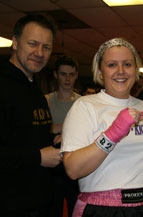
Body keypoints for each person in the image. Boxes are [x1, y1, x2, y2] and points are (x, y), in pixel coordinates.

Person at [60, 38, 143, 217]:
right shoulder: (85, 106)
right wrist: (113, 133)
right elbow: (73, 169)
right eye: (112, 64)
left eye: (127, 64)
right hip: (100, 208)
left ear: (136, 71)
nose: (121, 71)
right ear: (100, 72)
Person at [0, 13, 61, 217]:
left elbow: (27, 136)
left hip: (39, 202)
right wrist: (38, 157)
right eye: (33, 44)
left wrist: (55, 140)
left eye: (46, 47)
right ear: (15, 43)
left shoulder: (34, 88)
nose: (39, 52)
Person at [45, 55, 81, 217]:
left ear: (76, 75)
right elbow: (41, 130)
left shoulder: (83, 103)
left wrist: (60, 130)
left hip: (76, 165)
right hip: (52, 167)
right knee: (53, 210)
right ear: (55, 75)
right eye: (63, 74)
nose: (67, 79)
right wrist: (67, 128)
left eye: (71, 74)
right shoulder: (46, 100)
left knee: (76, 209)